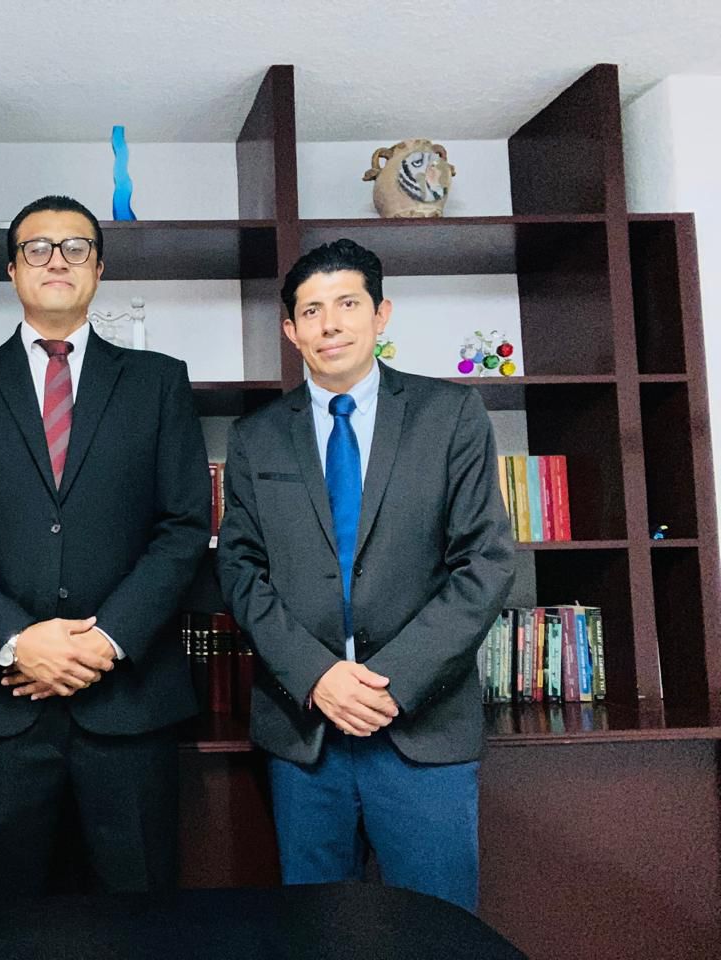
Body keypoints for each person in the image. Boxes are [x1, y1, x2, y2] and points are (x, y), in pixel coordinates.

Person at [0, 195, 211, 899]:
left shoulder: (159, 382)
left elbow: (183, 527)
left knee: (143, 922)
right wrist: (17, 641)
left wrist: (105, 640)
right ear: (12, 270)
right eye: (36, 248)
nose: (56, 261)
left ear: (98, 269)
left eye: (76, 248)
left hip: (130, 704)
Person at [216, 239, 514, 913]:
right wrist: (317, 675)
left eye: (348, 304)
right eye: (311, 311)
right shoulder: (256, 437)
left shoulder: (450, 415)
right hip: (306, 734)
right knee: (320, 928)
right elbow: (239, 569)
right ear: (291, 330)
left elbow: (486, 562)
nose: (330, 325)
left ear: (381, 315)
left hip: (420, 725)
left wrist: (391, 683)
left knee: (438, 930)